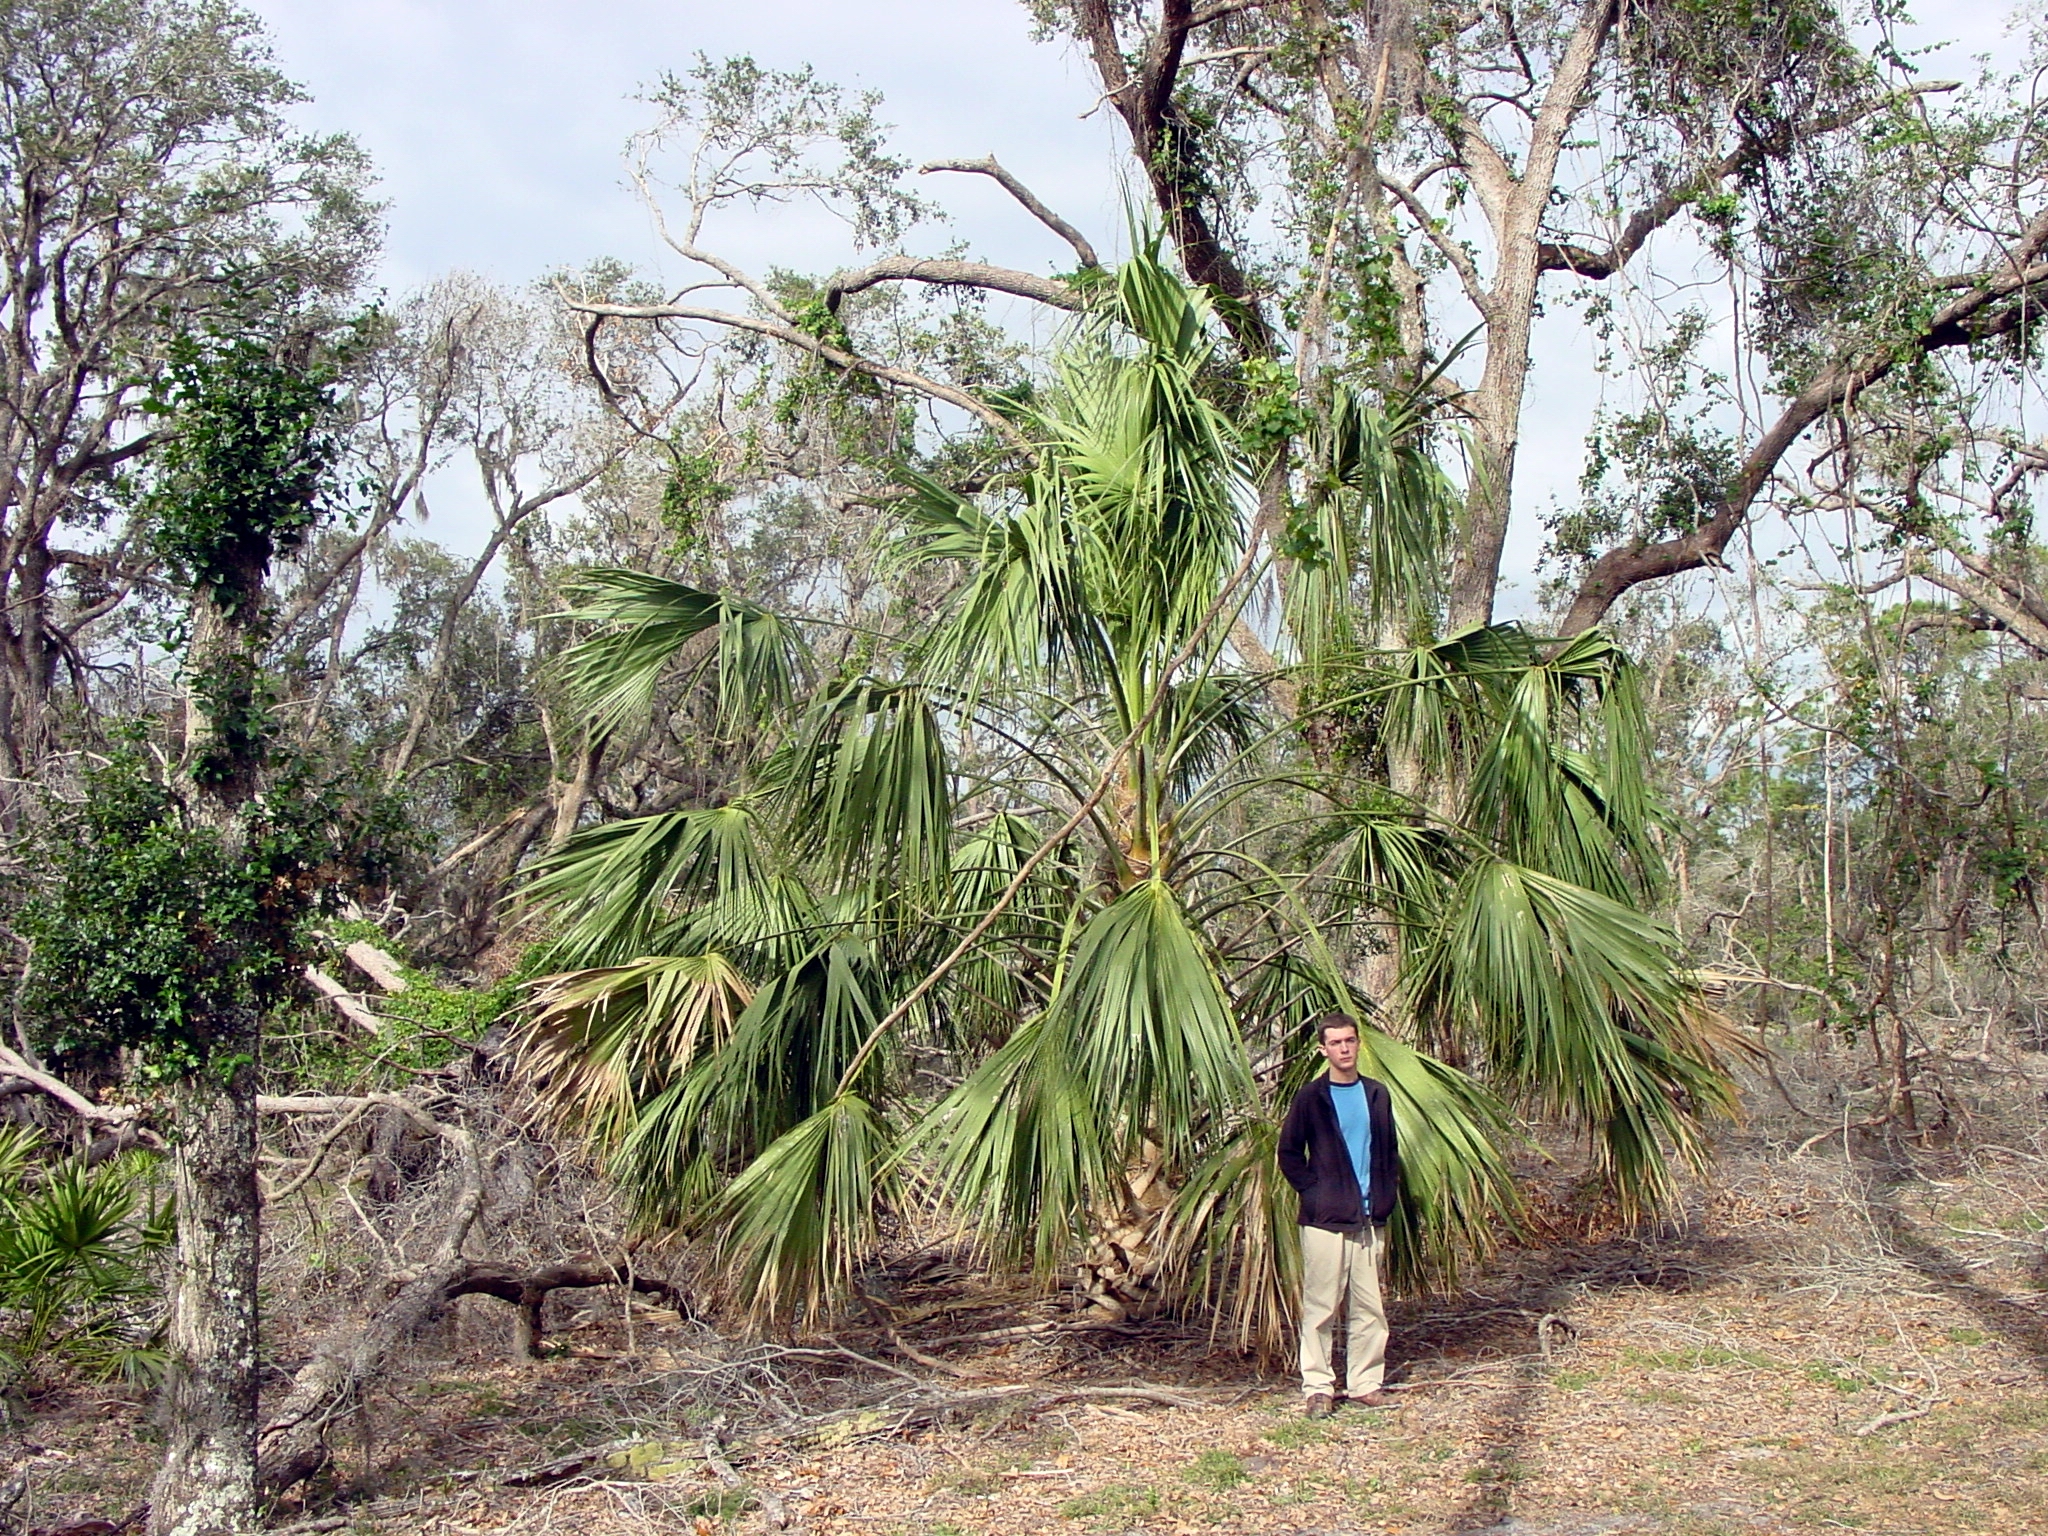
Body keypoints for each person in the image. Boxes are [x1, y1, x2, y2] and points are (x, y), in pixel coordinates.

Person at [1277, 1010, 1399, 1419]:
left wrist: (1385, 1197)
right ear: (1323, 1050)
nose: (1344, 1049)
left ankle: (1365, 1383)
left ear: (1358, 1043)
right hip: (1325, 1220)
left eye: (1349, 1041)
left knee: (1370, 1306)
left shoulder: (1377, 1094)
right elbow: (1289, 1153)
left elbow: (1388, 1151)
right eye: (1335, 1043)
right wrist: (1316, 1193)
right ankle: (1318, 1387)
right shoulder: (1311, 1098)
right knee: (1321, 1307)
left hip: (1369, 1218)